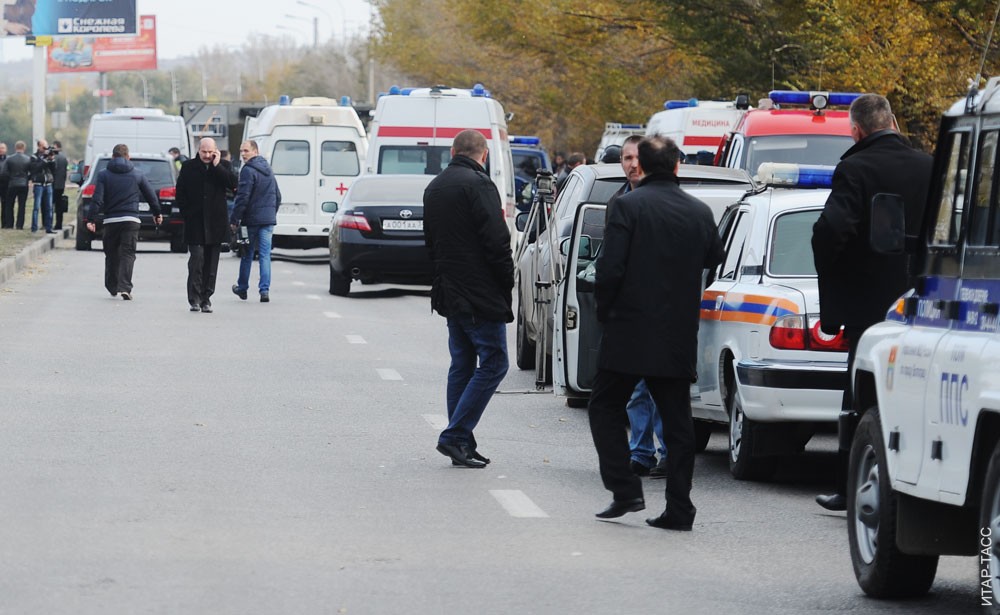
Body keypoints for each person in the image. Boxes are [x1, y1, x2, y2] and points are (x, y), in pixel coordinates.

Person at [588, 136, 723, 529]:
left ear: (642, 167)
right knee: (679, 424)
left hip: (629, 330)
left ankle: (625, 488)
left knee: (604, 407)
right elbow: (714, 257)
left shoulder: (627, 206)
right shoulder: (699, 211)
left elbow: (609, 269)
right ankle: (680, 508)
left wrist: (605, 312)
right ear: (677, 166)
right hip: (677, 332)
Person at [811, 94, 932, 512]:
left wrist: (838, 281)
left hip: (871, 308)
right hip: (924, 302)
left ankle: (853, 486)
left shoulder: (854, 168)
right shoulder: (930, 166)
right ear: (894, 122)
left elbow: (831, 232)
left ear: (856, 131)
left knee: (860, 396)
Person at [423, 129, 514, 469]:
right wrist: (506, 284)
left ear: (452, 151)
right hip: (479, 291)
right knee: (494, 363)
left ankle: (462, 441)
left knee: (462, 364)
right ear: (484, 154)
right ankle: (455, 436)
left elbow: (430, 242)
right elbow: (497, 241)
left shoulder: (435, 187)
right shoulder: (479, 185)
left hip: (449, 288)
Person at [607, 135, 669, 478]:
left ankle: (667, 451)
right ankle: (641, 453)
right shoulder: (618, 201)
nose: (632, 164)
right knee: (635, 389)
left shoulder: (664, 200)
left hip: (661, 308)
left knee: (660, 386)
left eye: (637, 158)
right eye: (626, 158)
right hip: (628, 311)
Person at [85, 144, 161, 300]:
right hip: (131, 220)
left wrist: (91, 219)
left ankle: (112, 286)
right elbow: (150, 195)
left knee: (111, 253)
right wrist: (157, 213)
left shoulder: (103, 175)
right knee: (128, 253)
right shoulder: (137, 174)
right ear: (128, 157)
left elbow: (97, 198)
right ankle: (125, 287)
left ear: (113, 157)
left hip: (111, 220)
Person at [175, 137, 237, 313]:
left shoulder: (223, 166)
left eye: (211, 152)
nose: (207, 155)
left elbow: (233, 184)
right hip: (195, 222)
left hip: (215, 223)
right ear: (199, 150)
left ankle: (206, 299)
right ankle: (194, 298)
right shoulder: (188, 167)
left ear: (216, 151)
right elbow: (180, 194)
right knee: (197, 260)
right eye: (204, 152)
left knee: (211, 264)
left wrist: (217, 166)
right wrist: (186, 213)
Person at [230, 140, 280, 303]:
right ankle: (264, 290)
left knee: (247, 254)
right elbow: (278, 195)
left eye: (246, 150)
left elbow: (243, 197)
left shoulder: (248, 170)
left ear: (255, 151)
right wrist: (272, 213)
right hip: (267, 220)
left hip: (250, 220)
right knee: (265, 255)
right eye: (241, 151)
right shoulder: (268, 169)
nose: (243, 154)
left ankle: (242, 288)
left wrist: (235, 218)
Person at [2, 141, 31, 229]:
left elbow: (4, 172)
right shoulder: (28, 159)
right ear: (24, 148)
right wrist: (26, 178)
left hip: (12, 184)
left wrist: (11, 178)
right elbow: (32, 172)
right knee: (22, 205)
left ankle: (9, 224)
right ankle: (19, 225)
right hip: (23, 184)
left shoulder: (9, 159)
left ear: (15, 148)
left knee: (9, 205)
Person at [51, 140, 68, 231]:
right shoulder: (64, 158)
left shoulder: (54, 157)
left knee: (50, 205)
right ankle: (59, 224)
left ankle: (48, 223)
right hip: (60, 185)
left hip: (52, 184)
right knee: (59, 206)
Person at [0, 142, 8, 228]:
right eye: (0, 148)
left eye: (3, 148)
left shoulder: (8, 160)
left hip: (5, 185)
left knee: (4, 204)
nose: (1, 149)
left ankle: (4, 223)